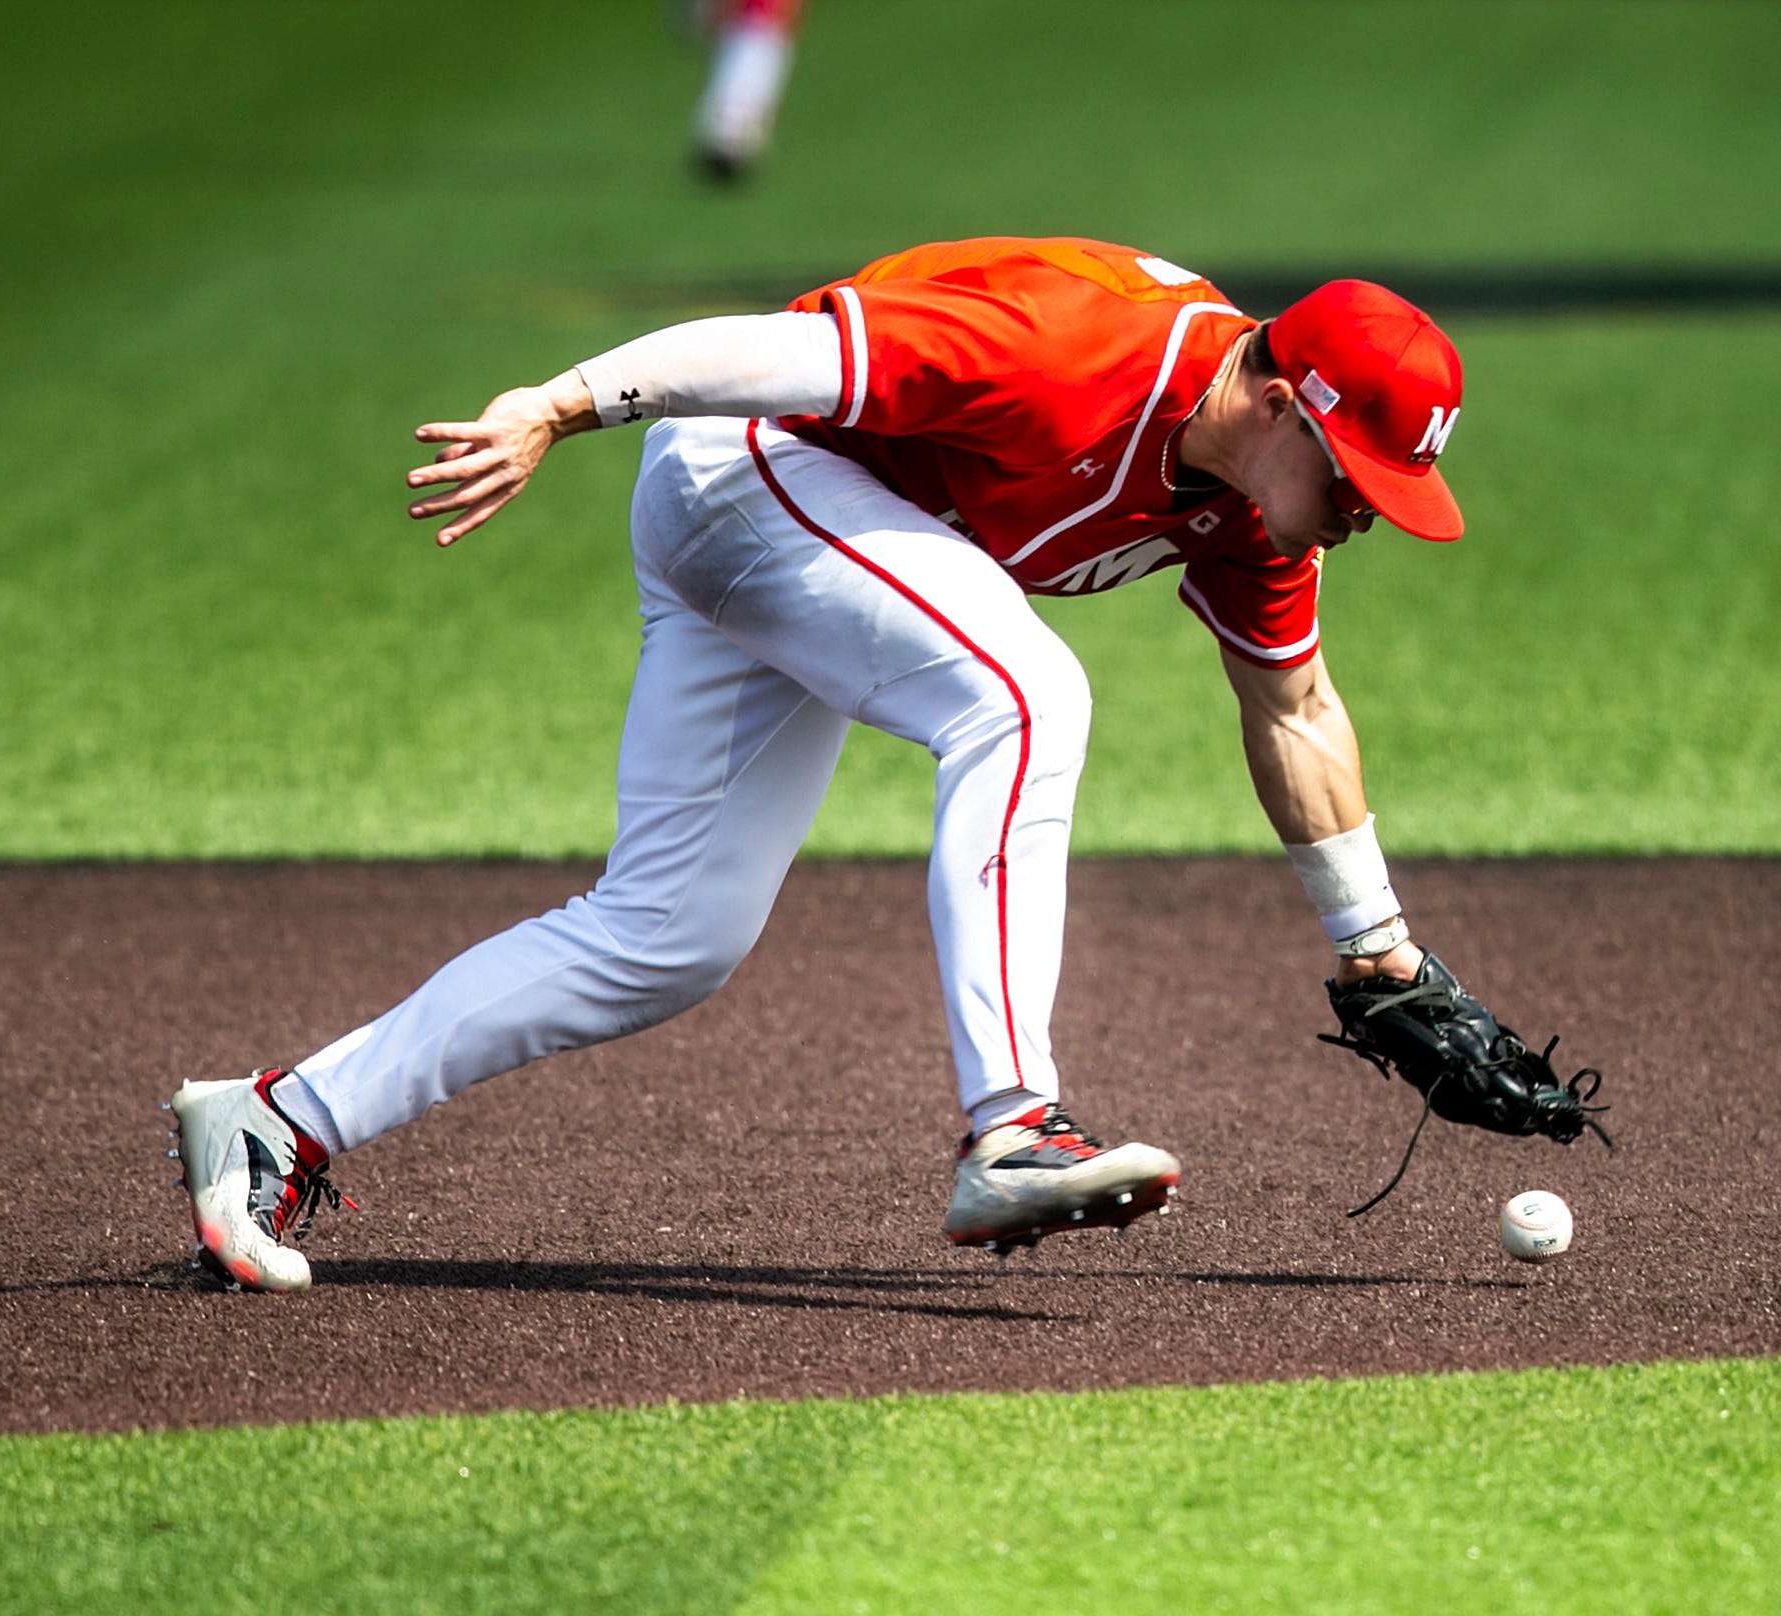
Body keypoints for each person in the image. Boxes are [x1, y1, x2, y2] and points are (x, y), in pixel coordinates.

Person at [170, 235, 1471, 1292]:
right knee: (1023, 699)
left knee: (667, 934)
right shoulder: (1069, 345)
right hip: (757, 467)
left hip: (824, 540)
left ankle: (279, 1118)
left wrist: (1381, 949)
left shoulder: (1254, 508)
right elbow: (770, 350)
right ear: (1285, 404)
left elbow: (1295, 706)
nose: (1368, 510)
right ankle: (1015, 1123)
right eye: (1360, 475)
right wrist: (558, 406)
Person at [689, 0, 805, 182]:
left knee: (751, 92)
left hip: (765, 31)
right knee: (740, 91)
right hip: (750, 30)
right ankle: (727, 145)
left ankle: (735, 145)